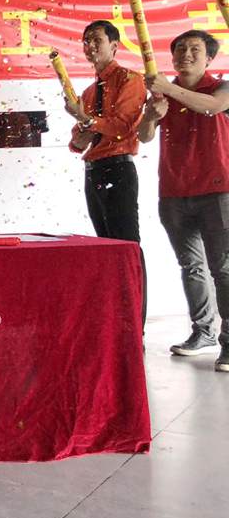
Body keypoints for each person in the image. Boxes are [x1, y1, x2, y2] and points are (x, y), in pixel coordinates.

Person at [138, 29, 229, 371]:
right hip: (174, 193)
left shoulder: (221, 87)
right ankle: (203, 332)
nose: (185, 55)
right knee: (192, 267)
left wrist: (169, 89)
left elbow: (213, 107)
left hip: (217, 192)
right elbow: (144, 136)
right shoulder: (162, 94)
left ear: (209, 58)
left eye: (194, 49)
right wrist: (152, 115)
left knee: (223, 268)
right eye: (179, 49)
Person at [65, 21, 146, 242]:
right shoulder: (89, 92)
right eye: (86, 41)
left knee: (125, 242)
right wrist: (84, 127)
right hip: (93, 171)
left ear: (114, 45)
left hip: (118, 168)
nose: (90, 45)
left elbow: (122, 127)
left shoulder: (130, 79)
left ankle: (134, 268)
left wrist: (86, 119)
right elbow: (77, 144)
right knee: (105, 243)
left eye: (97, 40)